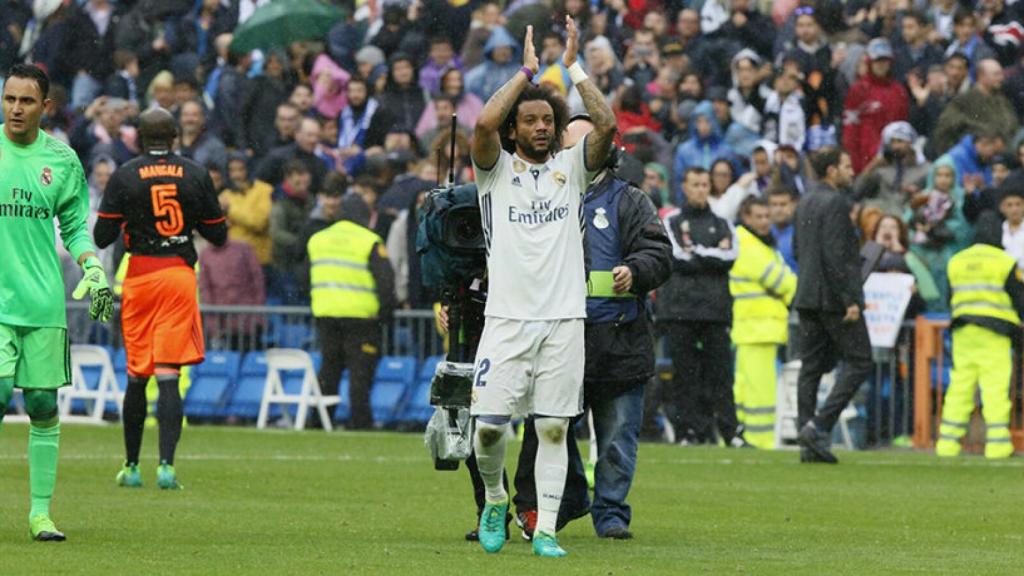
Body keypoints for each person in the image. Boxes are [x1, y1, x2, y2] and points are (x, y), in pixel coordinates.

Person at [468, 17, 616, 558]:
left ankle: (547, 528)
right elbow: (483, 124)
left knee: (554, 428)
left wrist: (573, 66)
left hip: (563, 319)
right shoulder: (495, 171)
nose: (540, 128)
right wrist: (526, 71)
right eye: (529, 120)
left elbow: (606, 124)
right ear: (515, 129)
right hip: (506, 318)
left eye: (547, 120)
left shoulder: (571, 170)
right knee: (487, 430)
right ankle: (492, 497)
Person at [512, 115, 672, 542]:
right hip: (562, 339)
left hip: (620, 337)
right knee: (553, 429)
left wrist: (634, 271)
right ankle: (575, 494)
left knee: (618, 436)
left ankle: (611, 513)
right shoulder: (543, 198)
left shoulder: (630, 200)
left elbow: (659, 252)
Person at [0, 64, 113, 541]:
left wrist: (91, 265)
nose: (15, 109)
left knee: (43, 403)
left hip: (43, 301)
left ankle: (40, 514)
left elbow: (74, 226)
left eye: (26, 101)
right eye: (8, 99)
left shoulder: (63, 161)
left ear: (45, 107)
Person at [94, 107, 227, 489]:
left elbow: (103, 236)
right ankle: (166, 467)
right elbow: (217, 235)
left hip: (140, 275)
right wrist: (191, 220)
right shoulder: (195, 174)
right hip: (178, 275)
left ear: (138, 136)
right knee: (169, 375)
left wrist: (131, 217)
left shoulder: (124, 175)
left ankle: (131, 466)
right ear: (175, 138)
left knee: (138, 375)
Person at [792, 149, 873, 464]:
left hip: (807, 295)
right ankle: (818, 426)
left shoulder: (805, 202)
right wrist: (850, 299)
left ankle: (806, 441)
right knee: (861, 361)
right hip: (833, 299)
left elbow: (800, 250)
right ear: (830, 171)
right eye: (847, 165)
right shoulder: (836, 202)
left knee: (810, 368)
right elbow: (838, 255)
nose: (852, 171)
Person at [658, 167, 745, 447]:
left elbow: (730, 255)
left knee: (721, 375)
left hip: (715, 311)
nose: (700, 189)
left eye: (704, 184)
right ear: (684, 186)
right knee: (685, 375)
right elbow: (676, 256)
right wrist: (709, 255)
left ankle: (729, 432)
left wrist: (697, 252)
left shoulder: (722, 222)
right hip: (680, 311)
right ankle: (687, 431)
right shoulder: (671, 220)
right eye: (694, 184)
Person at [936, 211, 1024, 460]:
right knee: (994, 388)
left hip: (963, 330)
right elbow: (1019, 298)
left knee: (960, 386)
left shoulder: (957, 260)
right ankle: (997, 446)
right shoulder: (1004, 261)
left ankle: (947, 443)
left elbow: (949, 298)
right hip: (995, 332)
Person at [307, 193, 396, 429]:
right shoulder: (369, 240)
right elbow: (386, 283)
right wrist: (385, 316)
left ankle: (319, 421)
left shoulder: (317, 239)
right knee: (360, 373)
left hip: (325, 314)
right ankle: (361, 423)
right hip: (362, 318)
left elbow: (305, 275)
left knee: (329, 371)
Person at [730, 197, 797, 449]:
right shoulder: (748, 244)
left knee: (747, 388)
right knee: (760, 391)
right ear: (746, 217)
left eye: (766, 216)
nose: (763, 221)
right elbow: (783, 281)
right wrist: (792, 288)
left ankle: (746, 436)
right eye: (757, 216)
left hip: (754, 328)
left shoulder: (758, 244)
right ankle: (761, 439)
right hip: (758, 327)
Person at [768, 187, 799, 273]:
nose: (778, 210)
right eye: (774, 205)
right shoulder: (762, 234)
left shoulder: (801, 234)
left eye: (783, 204)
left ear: (793, 205)